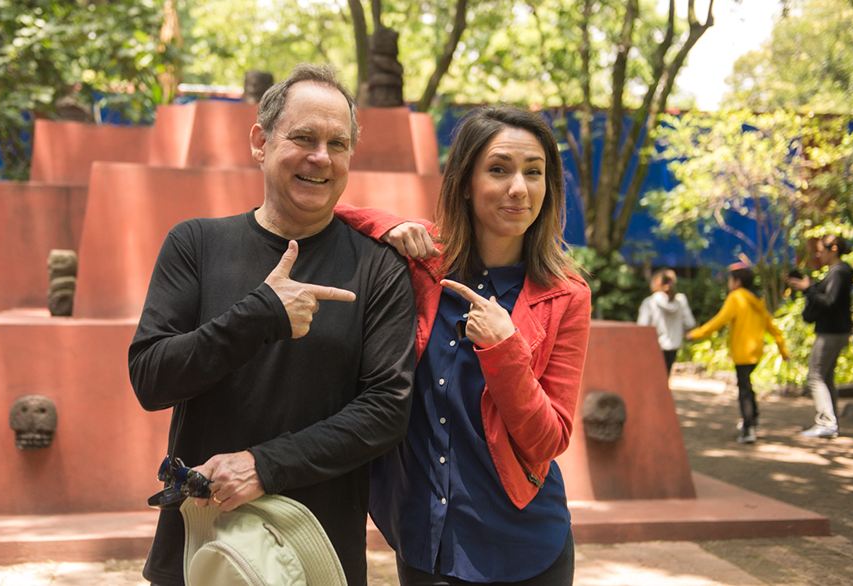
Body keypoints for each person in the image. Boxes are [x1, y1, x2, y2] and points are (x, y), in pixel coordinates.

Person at [127, 64, 417, 586]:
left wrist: (264, 465)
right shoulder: (195, 244)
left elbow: (387, 411)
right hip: (200, 549)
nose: (321, 158)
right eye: (303, 137)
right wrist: (258, 314)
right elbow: (151, 379)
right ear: (261, 142)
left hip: (316, 552)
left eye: (338, 143)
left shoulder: (379, 267)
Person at [335, 105, 591, 585]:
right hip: (424, 536)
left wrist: (505, 350)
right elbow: (327, 212)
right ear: (465, 181)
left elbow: (550, 439)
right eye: (499, 170)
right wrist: (386, 225)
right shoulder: (424, 263)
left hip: (524, 545)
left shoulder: (566, 294)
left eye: (534, 173)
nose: (519, 188)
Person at [686, 264, 789, 444]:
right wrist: (782, 349)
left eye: (730, 280)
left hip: (742, 351)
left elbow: (720, 320)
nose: (728, 284)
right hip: (756, 351)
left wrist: (696, 334)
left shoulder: (737, 297)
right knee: (747, 385)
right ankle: (754, 419)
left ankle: (748, 428)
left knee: (744, 389)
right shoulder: (756, 300)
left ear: (737, 282)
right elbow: (772, 326)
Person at [787, 234, 853, 439]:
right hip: (837, 331)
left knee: (815, 376)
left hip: (831, 332)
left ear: (833, 249)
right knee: (826, 377)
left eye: (821, 250)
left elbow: (830, 302)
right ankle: (830, 421)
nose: (818, 254)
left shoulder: (838, 272)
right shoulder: (838, 272)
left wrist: (808, 290)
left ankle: (827, 422)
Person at [637, 268, 696, 376]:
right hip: (674, 346)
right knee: (666, 376)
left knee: (655, 378)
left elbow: (642, 327)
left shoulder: (649, 302)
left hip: (655, 346)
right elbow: (690, 323)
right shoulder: (680, 300)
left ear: (658, 283)